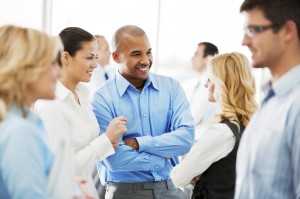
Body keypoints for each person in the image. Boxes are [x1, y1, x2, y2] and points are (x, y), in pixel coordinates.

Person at [91, 25, 195, 199]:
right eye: (136, 54)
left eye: (148, 52)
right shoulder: (101, 99)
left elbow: (186, 139)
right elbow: (114, 159)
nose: (146, 60)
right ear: (116, 57)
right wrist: (161, 158)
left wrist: (139, 143)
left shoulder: (171, 88)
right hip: (124, 193)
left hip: (171, 189)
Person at [34, 27, 127, 198]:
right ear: (66, 57)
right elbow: (61, 168)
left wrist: (106, 142)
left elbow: (83, 147)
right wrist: (105, 140)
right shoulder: (52, 105)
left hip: (85, 190)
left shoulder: (82, 95)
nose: (95, 64)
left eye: (96, 58)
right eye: (89, 57)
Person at [235, 0, 300, 198]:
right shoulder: (271, 100)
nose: (244, 41)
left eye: (254, 30)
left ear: (288, 31)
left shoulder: (296, 105)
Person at [171, 52, 257, 199]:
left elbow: (178, 177)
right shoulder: (253, 124)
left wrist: (200, 175)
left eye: (210, 79)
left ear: (224, 84)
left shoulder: (221, 133)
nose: (205, 84)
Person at [0, 25, 62, 198]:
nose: (59, 74)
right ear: (25, 68)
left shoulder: (25, 120)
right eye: (52, 63)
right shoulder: (19, 131)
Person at [189, 42, 220, 139]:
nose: (192, 58)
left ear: (208, 58)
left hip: (203, 139)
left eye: (196, 54)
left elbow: (192, 118)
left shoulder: (210, 84)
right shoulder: (201, 81)